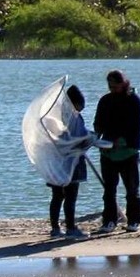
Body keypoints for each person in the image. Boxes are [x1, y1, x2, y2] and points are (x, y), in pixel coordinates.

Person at [93, 69, 140, 233]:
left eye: (115, 86)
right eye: (110, 86)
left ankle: (134, 220)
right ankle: (109, 221)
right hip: (108, 152)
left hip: (128, 152)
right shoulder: (105, 100)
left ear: (123, 84)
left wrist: (121, 141)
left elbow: (138, 126)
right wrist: (96, 138)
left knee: (132, 189)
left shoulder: (134, 101)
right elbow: (98, 123)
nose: (113, 89)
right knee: (109, 190)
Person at [47, 85, 92, 239]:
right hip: (71, 162)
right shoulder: (74, 118)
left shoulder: (55, 115)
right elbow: (79, 138)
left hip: (56, 162)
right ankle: (71, 228)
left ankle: (55, 228)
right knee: (70, 196)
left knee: (57, 196)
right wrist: (90, 139)